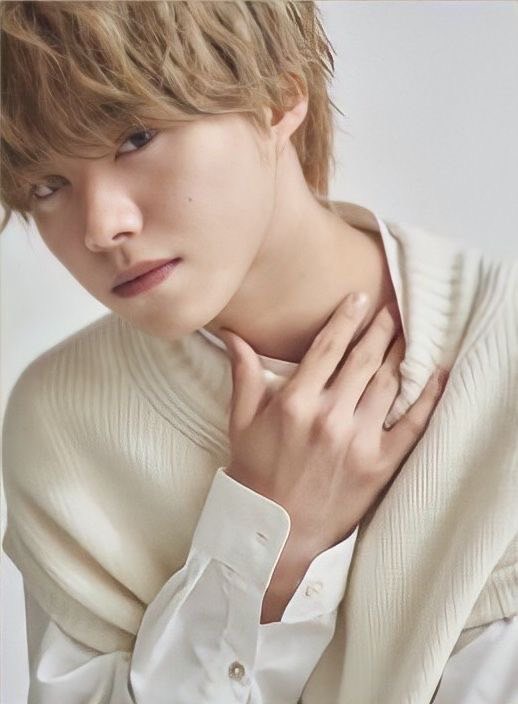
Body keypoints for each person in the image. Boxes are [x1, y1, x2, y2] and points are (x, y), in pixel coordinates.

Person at [1, 2, 517, 703]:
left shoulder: (500, 353)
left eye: (136, 137)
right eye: (46, 185)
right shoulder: (64, 422)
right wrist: (265, 551)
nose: (100, 226)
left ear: (277, 95)